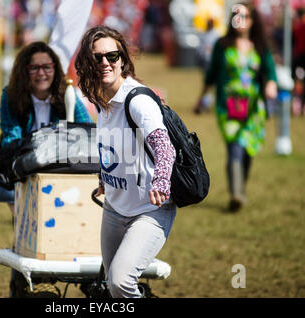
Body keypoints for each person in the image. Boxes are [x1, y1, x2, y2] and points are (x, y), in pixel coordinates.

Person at [75, 26, 177, 298]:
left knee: (121, 283)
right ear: (87, 63)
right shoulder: (101, 99)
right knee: (112, 286)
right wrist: (103, 178)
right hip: (114, 209)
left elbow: (164, 147)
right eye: (97, 58)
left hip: (149, 210)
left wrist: (161, 180)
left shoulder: (137, 100)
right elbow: (113, 146)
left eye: (112, 55)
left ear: (122, 59)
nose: (106, 63)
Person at [0, 41, 93, 296]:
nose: (41, 73)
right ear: (24, 71)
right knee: (25, 230)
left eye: (47, 66)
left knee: (63, 227)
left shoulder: (68, 93)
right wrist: (40, 150)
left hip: (60, 172)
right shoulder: (10, 95)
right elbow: (11, 136)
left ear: (55, 69)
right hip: (20, 169)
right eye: (34, 68)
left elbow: (87, 129)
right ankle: (22, 284)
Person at [194, 3, 277, 212]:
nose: (241, 21)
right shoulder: (222, 45)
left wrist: (270, 84)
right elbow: (211, 73)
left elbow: (270, 71)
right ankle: (236, 194)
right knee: (235, 147)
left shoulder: (260, 46)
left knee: (248, 149)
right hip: (227, 107)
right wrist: (200, 99)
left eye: (246, 17)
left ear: (253, 20)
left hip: (253, 109)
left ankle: (240, 186)